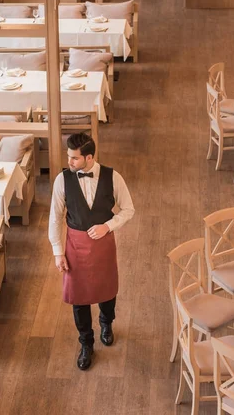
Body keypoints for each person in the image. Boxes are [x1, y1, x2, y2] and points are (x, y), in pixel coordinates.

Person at [48, 132, 135, 370]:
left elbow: (128, 209)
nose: (69, 162)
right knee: (79, 296)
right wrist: (58, 251)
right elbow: (55, 218)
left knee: (107, 290)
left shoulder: (113, 177)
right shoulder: (62, 180)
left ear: (89, 158)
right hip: (74, 246)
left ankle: (106, 323)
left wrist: (108, 225)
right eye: (68, 157)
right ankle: (86, 342)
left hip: (103, 243)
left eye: (74, 158)